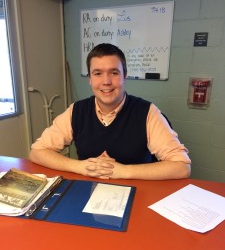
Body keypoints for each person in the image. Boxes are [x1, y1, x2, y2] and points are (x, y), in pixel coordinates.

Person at [30, 43, 191, 180]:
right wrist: (80, 167)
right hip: (89, 191)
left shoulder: (148, 112)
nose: (106, 82)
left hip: (138, 193)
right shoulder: (77, 111)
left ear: (125, 76)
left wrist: (122, 171)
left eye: (114, 73)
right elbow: (37, 152)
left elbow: (181, 166)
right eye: (98, 73)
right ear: (90, 79)